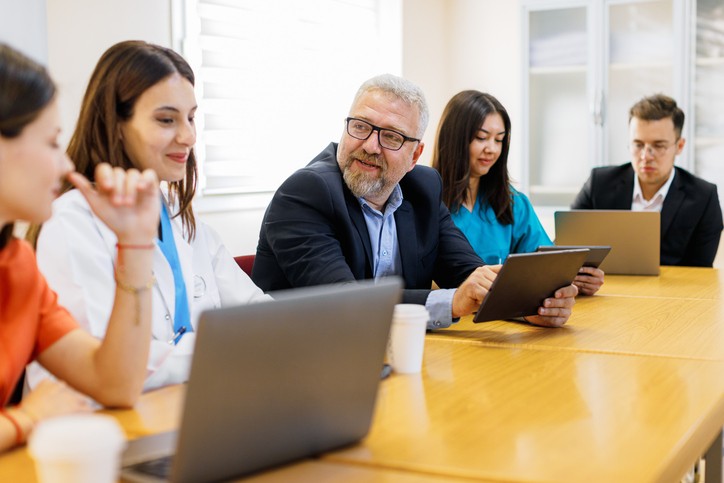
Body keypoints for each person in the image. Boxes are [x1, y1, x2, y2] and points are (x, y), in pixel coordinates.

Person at [27, 40, 271, 392]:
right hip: (100, 425)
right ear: (117, 122)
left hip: (190, 400)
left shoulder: (179, 215)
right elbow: (108, 365)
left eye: (191, 117)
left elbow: (257, 313)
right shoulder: (71, 221)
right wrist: (218, 349)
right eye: (166, 119)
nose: (188, 136)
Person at [252, 74, 577, 329]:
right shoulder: (306, 192)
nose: (370, 145)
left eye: (391, 136)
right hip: (305, 363)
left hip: (397, 356)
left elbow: (468, 273)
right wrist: (450, 302)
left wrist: (527, 306)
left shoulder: (422, 187)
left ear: (415, 155)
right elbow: (345, 303)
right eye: (361, 127)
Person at [0, 43, 158, 453]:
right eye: (52, 142)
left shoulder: (16, 267)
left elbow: (117, 383)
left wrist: (136, 243)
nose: (66, 166)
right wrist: (26, 419)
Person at [432, 90, 604, 295]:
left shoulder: (513, 203)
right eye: (481, 138)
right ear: (454, 139)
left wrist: (575, 278)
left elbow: (545, 264)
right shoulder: (425, 201)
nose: (492, 149)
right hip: (449, 319)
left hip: (506, 316)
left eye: (499, 140)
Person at [572, 94, 723, 267]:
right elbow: (568, 249)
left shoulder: (703, 197)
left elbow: (699, 273)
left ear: (679, 146)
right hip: (605, 289)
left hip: (669, 292)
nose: (646, 156)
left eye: (658, 146)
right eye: (638, 145)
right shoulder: (599, 183)